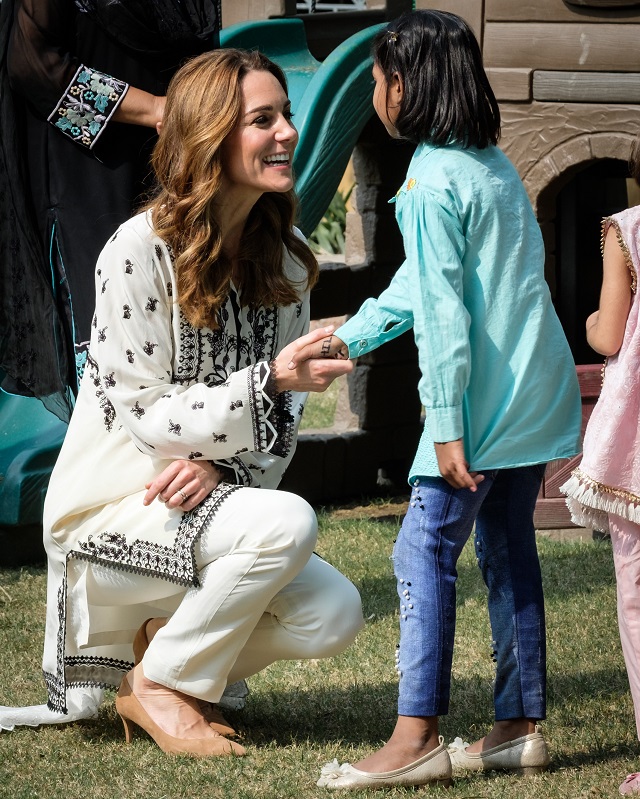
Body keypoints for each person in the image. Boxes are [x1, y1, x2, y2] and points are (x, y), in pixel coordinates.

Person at [0, 48, 364, 755]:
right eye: (264, 119)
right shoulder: (136, 250)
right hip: (108, 518)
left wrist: (224, 469)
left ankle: (159, 667)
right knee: (286, 523)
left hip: (207, 511)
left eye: (285, 115)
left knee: (334, 611)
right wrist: (269, 383)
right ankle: (169, 687)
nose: (288, 131)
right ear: (211, 135)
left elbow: (282, 429)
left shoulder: (286, 258)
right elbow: (145, 419)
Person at [289, 10, 582, 790]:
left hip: (480, 405)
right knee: (510, 551)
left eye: (382, 76)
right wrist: (350, 336)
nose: (377, 91)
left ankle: (415, 734)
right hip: (534, 390)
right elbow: (425, 286)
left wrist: (446, 425)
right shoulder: (489, 164)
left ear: (407, 85)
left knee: (422, 552)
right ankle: (518, 726)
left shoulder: (426, 178)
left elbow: (447, 314)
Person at [1, 0, 221, 417]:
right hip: (90, 174)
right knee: (110, 336)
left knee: (186, 323)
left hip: (181, 162)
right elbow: (32, 62)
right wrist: (156, 108)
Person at [561, 142, 640, 795]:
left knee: (638, 596)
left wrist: (589, 319)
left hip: (635, 453)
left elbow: (610, 336)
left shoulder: (629, 229)